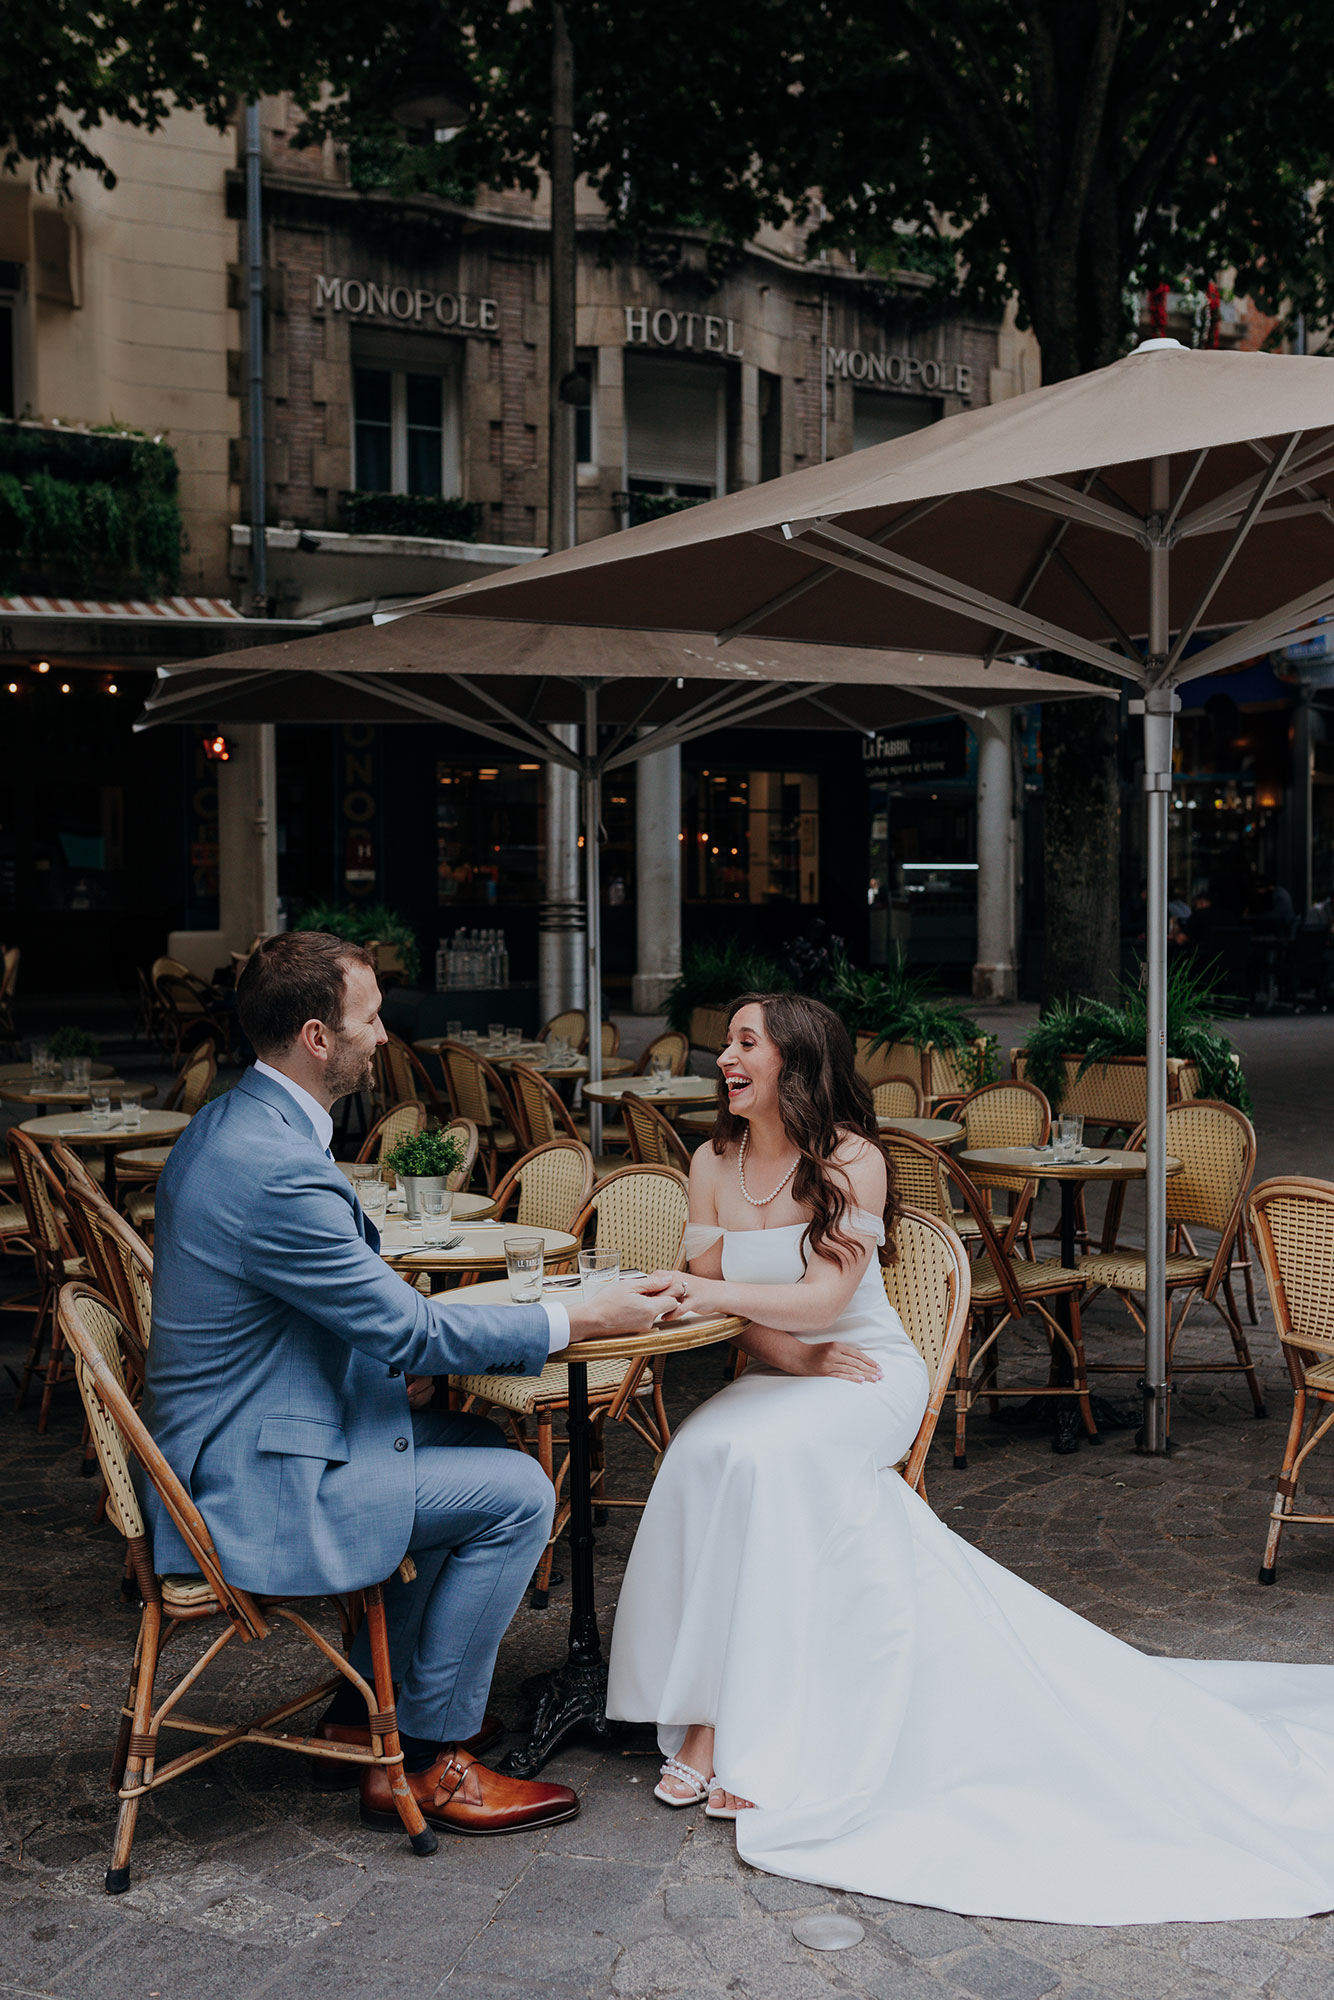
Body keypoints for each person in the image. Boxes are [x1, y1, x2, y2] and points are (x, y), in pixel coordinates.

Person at [606, 991, 1334, 1924]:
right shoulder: (710, 1162)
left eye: (747, 1044)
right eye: (728, 1045)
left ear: (797, 1058)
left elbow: (828, 1303)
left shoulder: (853, 1159)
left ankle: (748, 1735)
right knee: (703, 1451)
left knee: (768, 1465)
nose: (727, 1059)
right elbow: (736, 1316)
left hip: (866, 1372)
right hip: (786, 1365)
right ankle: (699, 1706)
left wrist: (741, 1312)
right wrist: (774, 1344)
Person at [145, 931, 683, 1840]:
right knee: (515, 1492)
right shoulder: (271, 1165)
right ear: (318, 1038)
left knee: (480, 1447)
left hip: (255, 1429)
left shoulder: (243, 1121)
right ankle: (432, 1759)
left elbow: (329, 1314)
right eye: (371, 1018)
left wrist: (407, 1373)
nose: (385, 1037)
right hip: (245, 1480)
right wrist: (581, 1317)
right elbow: (408, 1327)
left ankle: (370, 1717)